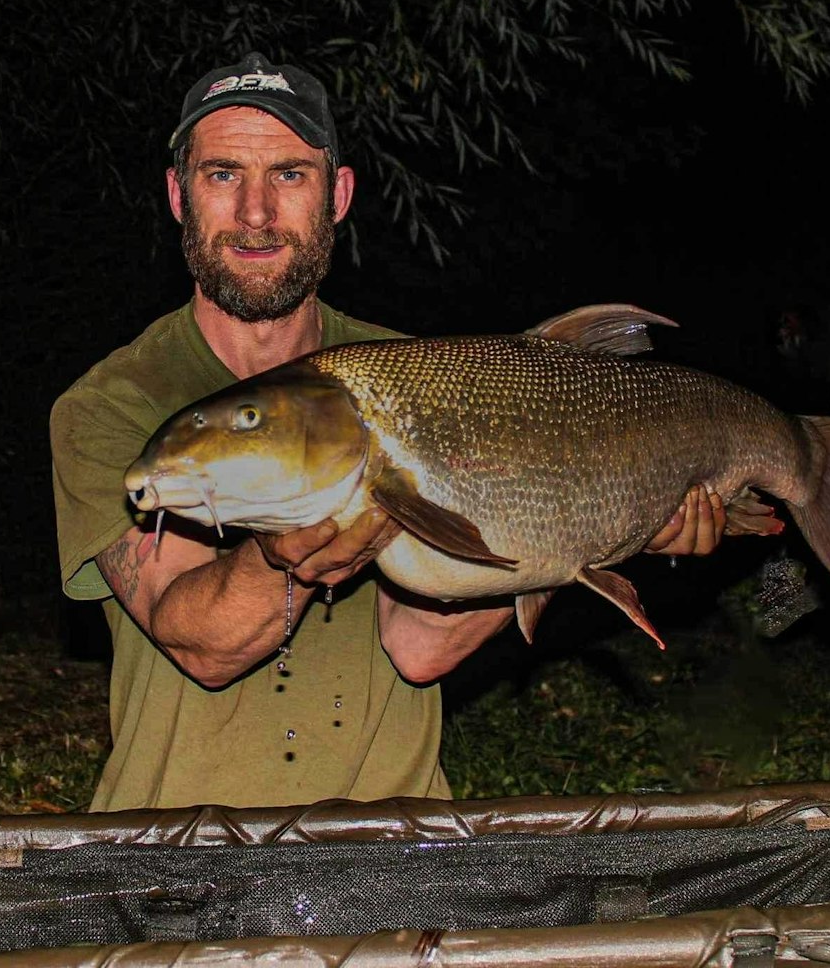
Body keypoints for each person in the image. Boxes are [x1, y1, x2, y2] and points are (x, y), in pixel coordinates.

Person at [50, 52, 726, 812]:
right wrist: (291, 548)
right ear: (178, 195)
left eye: (289, 175)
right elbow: (201, 644)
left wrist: (612, 518)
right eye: (223, 175)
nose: (256, 213)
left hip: (391, 839)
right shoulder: (112, 402)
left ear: (337, 195)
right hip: (177, 849)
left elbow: (421, 646)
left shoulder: (418, 372)